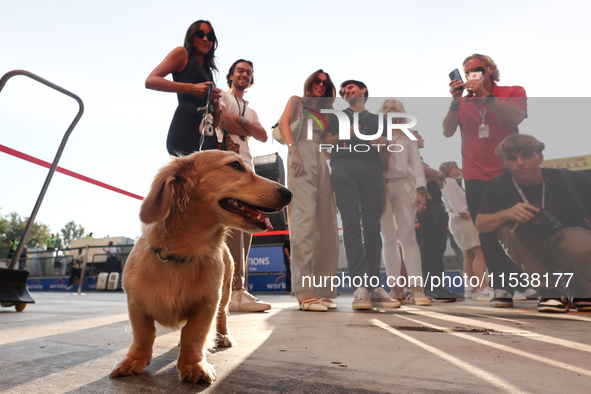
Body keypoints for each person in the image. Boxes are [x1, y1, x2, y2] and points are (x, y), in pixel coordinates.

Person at [443, 53, 529, 308]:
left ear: (490, 69)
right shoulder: (464, 102)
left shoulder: (512, 90)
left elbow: (515, 118)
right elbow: (447, 131)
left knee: (521, 226)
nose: (473, 74)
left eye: (478, 69)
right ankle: (502, 287)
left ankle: (527, 281)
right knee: (487, 232)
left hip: (510, 171)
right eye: (468, 71)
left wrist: (485, 96)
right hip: (476, 174)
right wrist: (455, 102)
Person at [475, 134, 591, 312]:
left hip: (569, 241)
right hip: (531, 245)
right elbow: (481, 225)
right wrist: (507, 213)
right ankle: (549, 290)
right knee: (506, 229)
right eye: (512, 158)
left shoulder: (571, 180)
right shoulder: (498, 186)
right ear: (503, 163)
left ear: (540, 158)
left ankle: (583, 291)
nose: (520, 162)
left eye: (527, 156)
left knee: (577, 242)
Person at [324, 80, 399, 310]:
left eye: (351, 88)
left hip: (371, 168)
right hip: (343, 166)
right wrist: (343, 135)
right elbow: (325, 143)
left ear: (363, 91)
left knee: (372, 226)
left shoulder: (379, 121)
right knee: (350, 224)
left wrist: (384, 142)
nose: (347, 91)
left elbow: (385, 155)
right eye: (344, 90)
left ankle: (374, 285)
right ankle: (360, 287)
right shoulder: (336, 117)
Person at [279, 70, 340, 311]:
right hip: (300, 154)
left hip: (320, 160)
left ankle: (324, 290)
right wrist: (293, 149)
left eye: (325, 83)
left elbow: (326, 144)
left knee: (327, 225)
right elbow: (284, 124)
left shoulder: (325, 115)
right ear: (310, 82)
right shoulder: (297, 102)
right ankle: (304, 290)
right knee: (303, 222)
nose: (320, 85)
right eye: (317, 80)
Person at [218, 59, 270, 312]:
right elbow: (223, 121)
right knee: (231, 228)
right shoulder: (222, 97)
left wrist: (243, 123)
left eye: (249, 72)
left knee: (246, 228)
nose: (245, 75)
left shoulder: (250, 109)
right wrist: (244, 126)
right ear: (231, 75)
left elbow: (262, 135)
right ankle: (230, 291)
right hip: (229, 165)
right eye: (240, 70)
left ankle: (238, 290)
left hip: (248, 166)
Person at [377, 99, 430, 306]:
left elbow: (416, 163)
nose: (389, 111)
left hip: (403, 186)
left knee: (408, 236)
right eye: (385, 108)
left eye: (394, 109)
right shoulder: (372, 135)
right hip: (380, 188)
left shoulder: (408, 135)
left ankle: (417, 290)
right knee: (388, 239)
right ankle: (395, 289)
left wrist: (421, 190)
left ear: (401, 114)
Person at [146, 20, 222, 155]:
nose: (205, 38)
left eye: (210, 36)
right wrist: (191, 88)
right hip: (187, 126)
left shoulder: (208, 71)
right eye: (200, 34)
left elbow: (216, 120)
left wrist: (216, 103)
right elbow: (151, 80)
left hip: (207, 131)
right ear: (191, 36)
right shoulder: (182, 53)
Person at [413, 132, 463, 302]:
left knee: (439, 246)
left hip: (436, 204)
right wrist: (435, 174)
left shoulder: (421, 158)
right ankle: (430, 288)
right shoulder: (409, 156)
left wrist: (435, 175)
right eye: (419, 136)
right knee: (429, 246)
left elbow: (438, 179)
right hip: (424, 206)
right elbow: (426, 172)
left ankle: (439, 287)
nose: (423, 138)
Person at [439, 162, 493, 300]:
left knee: (468, 254)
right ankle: (483, 288)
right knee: (478, 252)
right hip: (462, 219)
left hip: (458, 219)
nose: (459, 168)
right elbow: (454, 202)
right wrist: (468, 216)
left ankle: (472, 289)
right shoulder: (449, 182)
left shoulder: (450, 183)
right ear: (449, 169)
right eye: (456, 166)